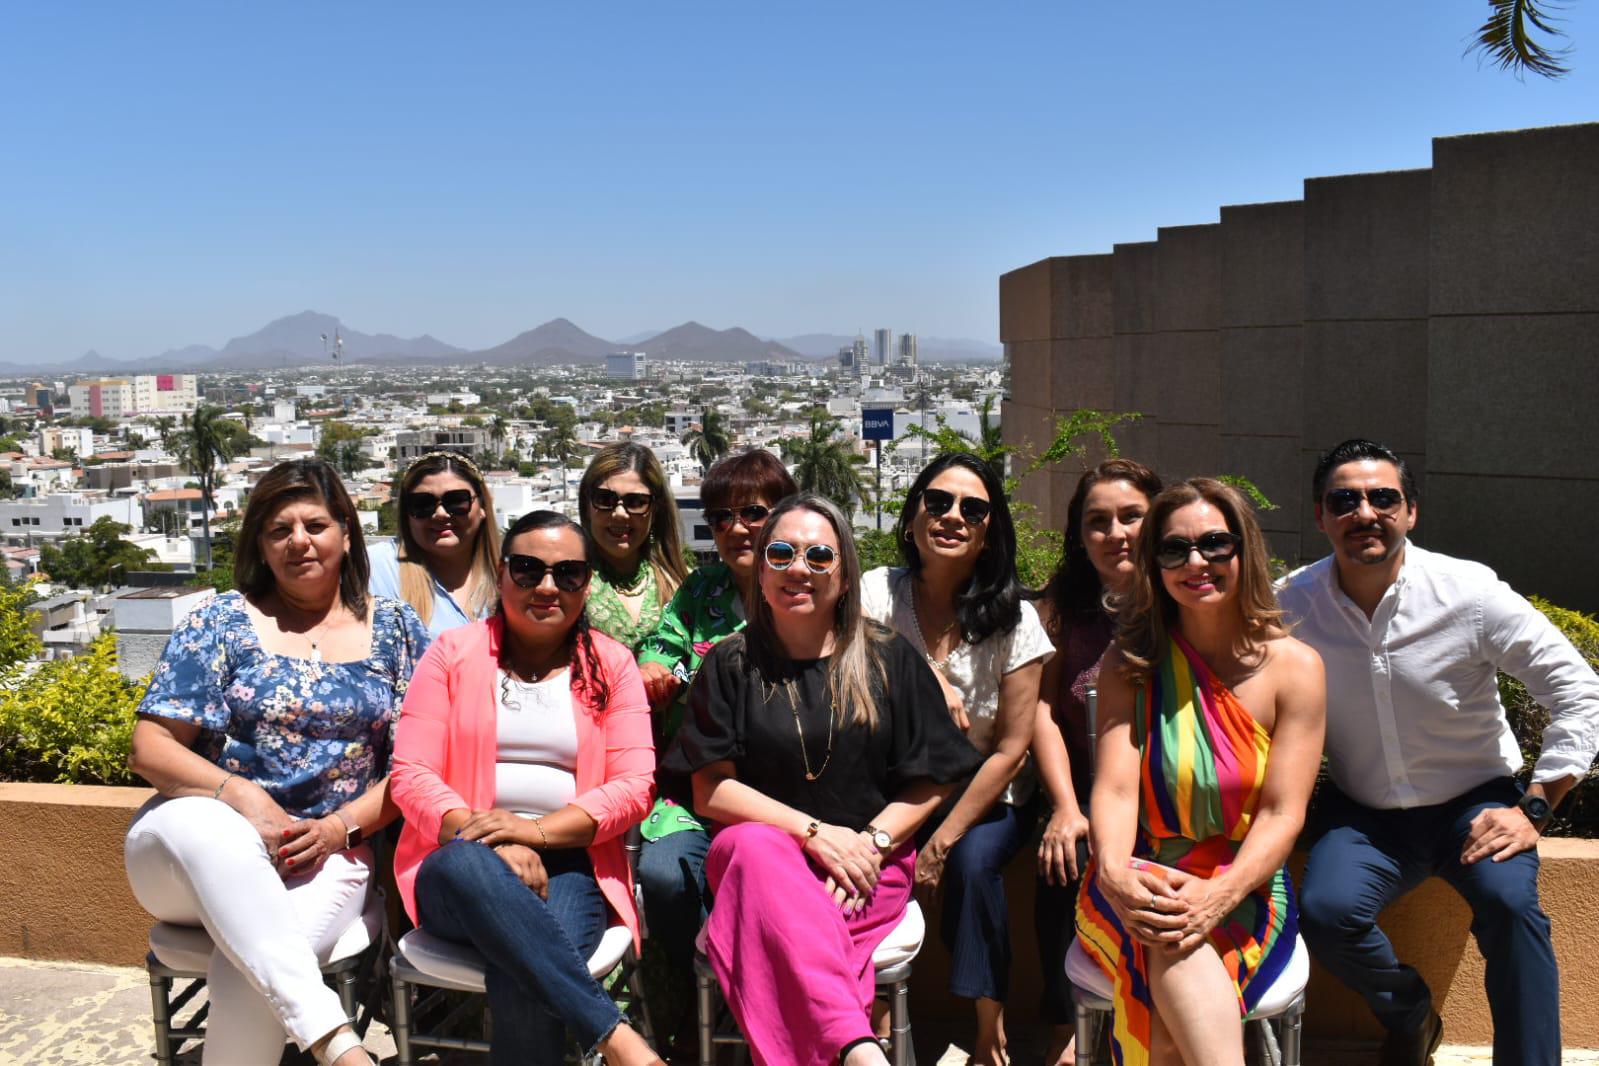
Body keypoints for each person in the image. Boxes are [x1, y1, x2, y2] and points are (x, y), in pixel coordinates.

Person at [1281, 439, 1599, 1066]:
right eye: (1343, 500)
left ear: (1411, 512)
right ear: (1320, 515)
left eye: (1383, 498)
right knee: (1324, 913)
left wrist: (1534, 809)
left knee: (1511, 908)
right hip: (1366, 817)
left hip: (1475, 807)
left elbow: (1578, 688)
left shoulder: (1467, 592)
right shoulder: (1291, 604)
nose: (1364, 513)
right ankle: (1412, 1015)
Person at [125, 458, 430, 1066]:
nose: (299, 542)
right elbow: (149, 747)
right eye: (279, 530)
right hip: (186, 854)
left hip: (324, 856)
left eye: (315, 525)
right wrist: (240, 796)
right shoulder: (219, 624)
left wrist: (339, 828)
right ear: (260, 546)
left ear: (346, 531)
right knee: (212, 828)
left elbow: (418, 769)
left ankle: (333, 1048)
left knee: (257, 957)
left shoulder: (396, 630)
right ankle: (339, 1045)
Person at [662, 493, 983, 1066]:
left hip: (865, 863)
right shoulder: (730, 664)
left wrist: (871, 842)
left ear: (844, 573)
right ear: (760, 570)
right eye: (781, 553)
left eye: (818, 556)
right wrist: (814, 834)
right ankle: (856, 1046)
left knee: (781, 940)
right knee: (752, 845)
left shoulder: (887, 658)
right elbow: (710, 789)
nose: (798, 569)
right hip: (759, 862)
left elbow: (935, 777)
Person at [389, 511, 664, 1065]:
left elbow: (635, 786)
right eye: (528, 569)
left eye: (567, 574)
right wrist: (498, 842)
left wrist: (534, 833)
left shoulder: (612, 664)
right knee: (470, 868)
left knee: (526, 958)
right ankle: (621, 1042)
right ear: (502, 571)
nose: (546, 587)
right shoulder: (452, 653)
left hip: (570, 865)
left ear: (587, 583)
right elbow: (411, 776)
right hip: (458, 864)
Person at [1076, 478, 1325, 1066]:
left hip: (1247, 880)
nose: (1196, 563)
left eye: (1215, 544)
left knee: (1166, 1015)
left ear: (1245, 551)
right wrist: (1113, 871)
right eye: (1173, 549)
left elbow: (1283, 812)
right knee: (1165, 926)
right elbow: (1113, 787)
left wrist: (1220, 893)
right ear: (1153, 564)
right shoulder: (1129, 663)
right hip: (1138, 870)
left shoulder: (1297, 669)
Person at [858, 452, 1052, 1065]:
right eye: (937, 501)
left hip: (984, 795)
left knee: (971, 865)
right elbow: (848, 661)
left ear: (990, 528)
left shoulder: (1013, 619)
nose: (952, 517)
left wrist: (941, 843)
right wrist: (924, 677)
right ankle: (872, 1017)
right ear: (913, 514)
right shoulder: (876, 593)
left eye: (973, 508)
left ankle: (988, 1029)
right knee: (858, 860)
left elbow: (1013, 749)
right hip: (896, 789)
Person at [633, 450, 797, 1011]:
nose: (735, 529)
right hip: (695, 787)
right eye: (720, 518)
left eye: (752, 512)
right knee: (663, 876)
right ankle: (711, 989)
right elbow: (665, 644)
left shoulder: (809, 595)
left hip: (783, 795)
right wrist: (654, 668)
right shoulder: (699, 592)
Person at [1030, 457, 1162, 1065]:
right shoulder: (1065, 607)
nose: (1116, 533)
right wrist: (1064, 806)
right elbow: (1042, 711)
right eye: (1098, 522)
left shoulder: (1187, 601)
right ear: (1080, 537)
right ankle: (1066, 1024)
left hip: (1169, 797)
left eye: (1132, 516)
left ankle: (1130, 1025)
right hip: (1083, 790)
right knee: (1064, 860)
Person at [369, 450, 502, 636]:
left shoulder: (513, 573)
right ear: (407, 514)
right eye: (423, 504)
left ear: (483, 506)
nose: (440, 514)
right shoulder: (376, 569)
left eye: (456, 501)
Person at [578, 442, 689, 651]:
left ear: (655, 509)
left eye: (635, 502)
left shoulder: (682, 588)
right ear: (587, 504)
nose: (620, 513)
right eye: (604, 499)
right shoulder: (567, 582)